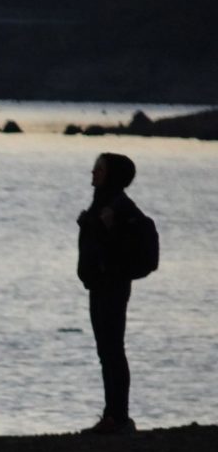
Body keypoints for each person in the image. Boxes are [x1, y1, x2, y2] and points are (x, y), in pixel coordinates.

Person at [76, 152, 141, 435]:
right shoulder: (102, 203)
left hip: (113, 286)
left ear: (111, 174)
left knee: (113, 349)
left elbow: (115, 246)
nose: (93, 173)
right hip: (98, 285)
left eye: (99, 169)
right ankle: (111, 414)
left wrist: (101, 226)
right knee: (106, 351)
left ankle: (119, 416)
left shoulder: (119, 207)